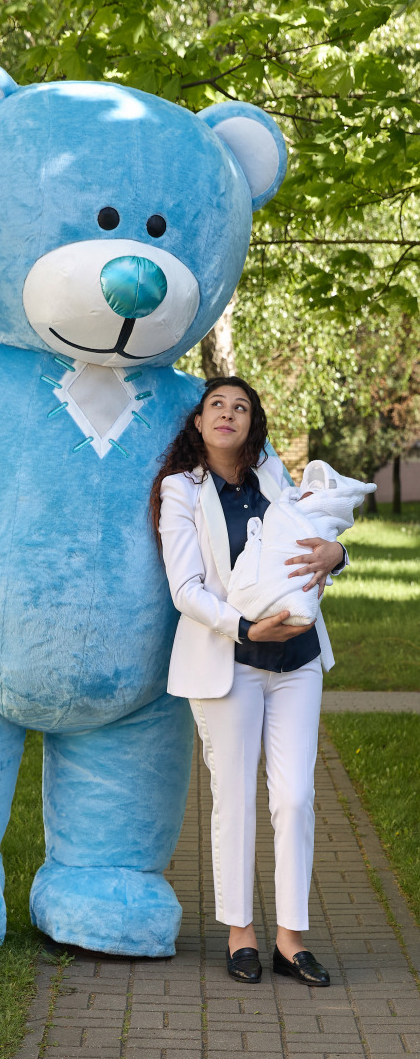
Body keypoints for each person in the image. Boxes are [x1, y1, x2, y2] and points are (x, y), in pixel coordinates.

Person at [150, 377, 347, 986]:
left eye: (241, 407)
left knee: (294, 798)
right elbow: (185, 588)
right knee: (233, 799)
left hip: (299, 660)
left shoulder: (272, 474)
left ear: (252, 422)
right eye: (218, 406)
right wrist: (242, 628)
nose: (229, 414)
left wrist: (335, 557)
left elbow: (313, 540)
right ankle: (241, 934)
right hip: (228, 660)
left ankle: (292, 940)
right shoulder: (181, 490)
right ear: (199, 422)